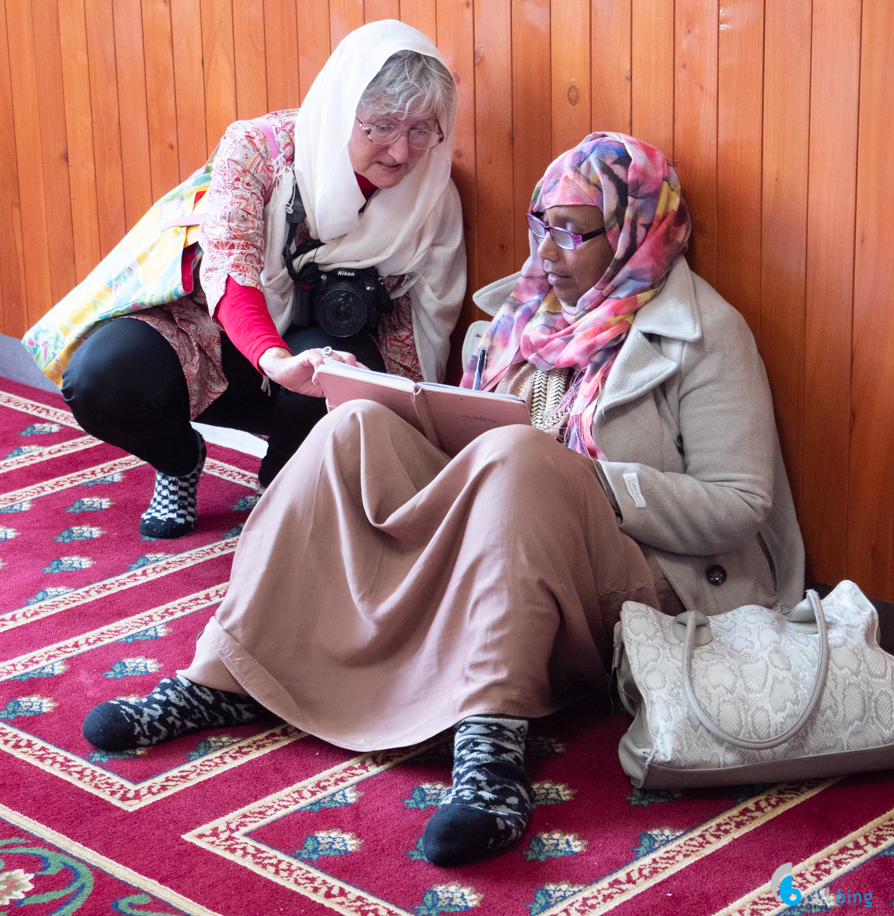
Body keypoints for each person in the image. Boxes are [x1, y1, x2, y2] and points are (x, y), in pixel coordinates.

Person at [81, 133, 805, 867]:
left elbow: (740, 502)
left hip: (641, 574)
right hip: (514, 552)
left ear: (635, 229)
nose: (546, 253)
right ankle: (228, 674)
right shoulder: (518, 319)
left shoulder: (706, 335)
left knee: (521, 455)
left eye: (572, 231)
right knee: (353, 427)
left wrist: (590, 479)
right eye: (540, 225)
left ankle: (491, 744)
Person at [28, 20, 465, 538]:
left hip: (317, 351)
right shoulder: (259, 150)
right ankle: (177, 460)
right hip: (210, 330)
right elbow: (231, 268)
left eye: (421, 130)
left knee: (345, 374)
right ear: (344, 105)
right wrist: (276, 359)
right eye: (383, 127)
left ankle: (281, 485)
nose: (401, 152)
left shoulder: (433, 195)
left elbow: (424, 328)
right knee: (101, 378)